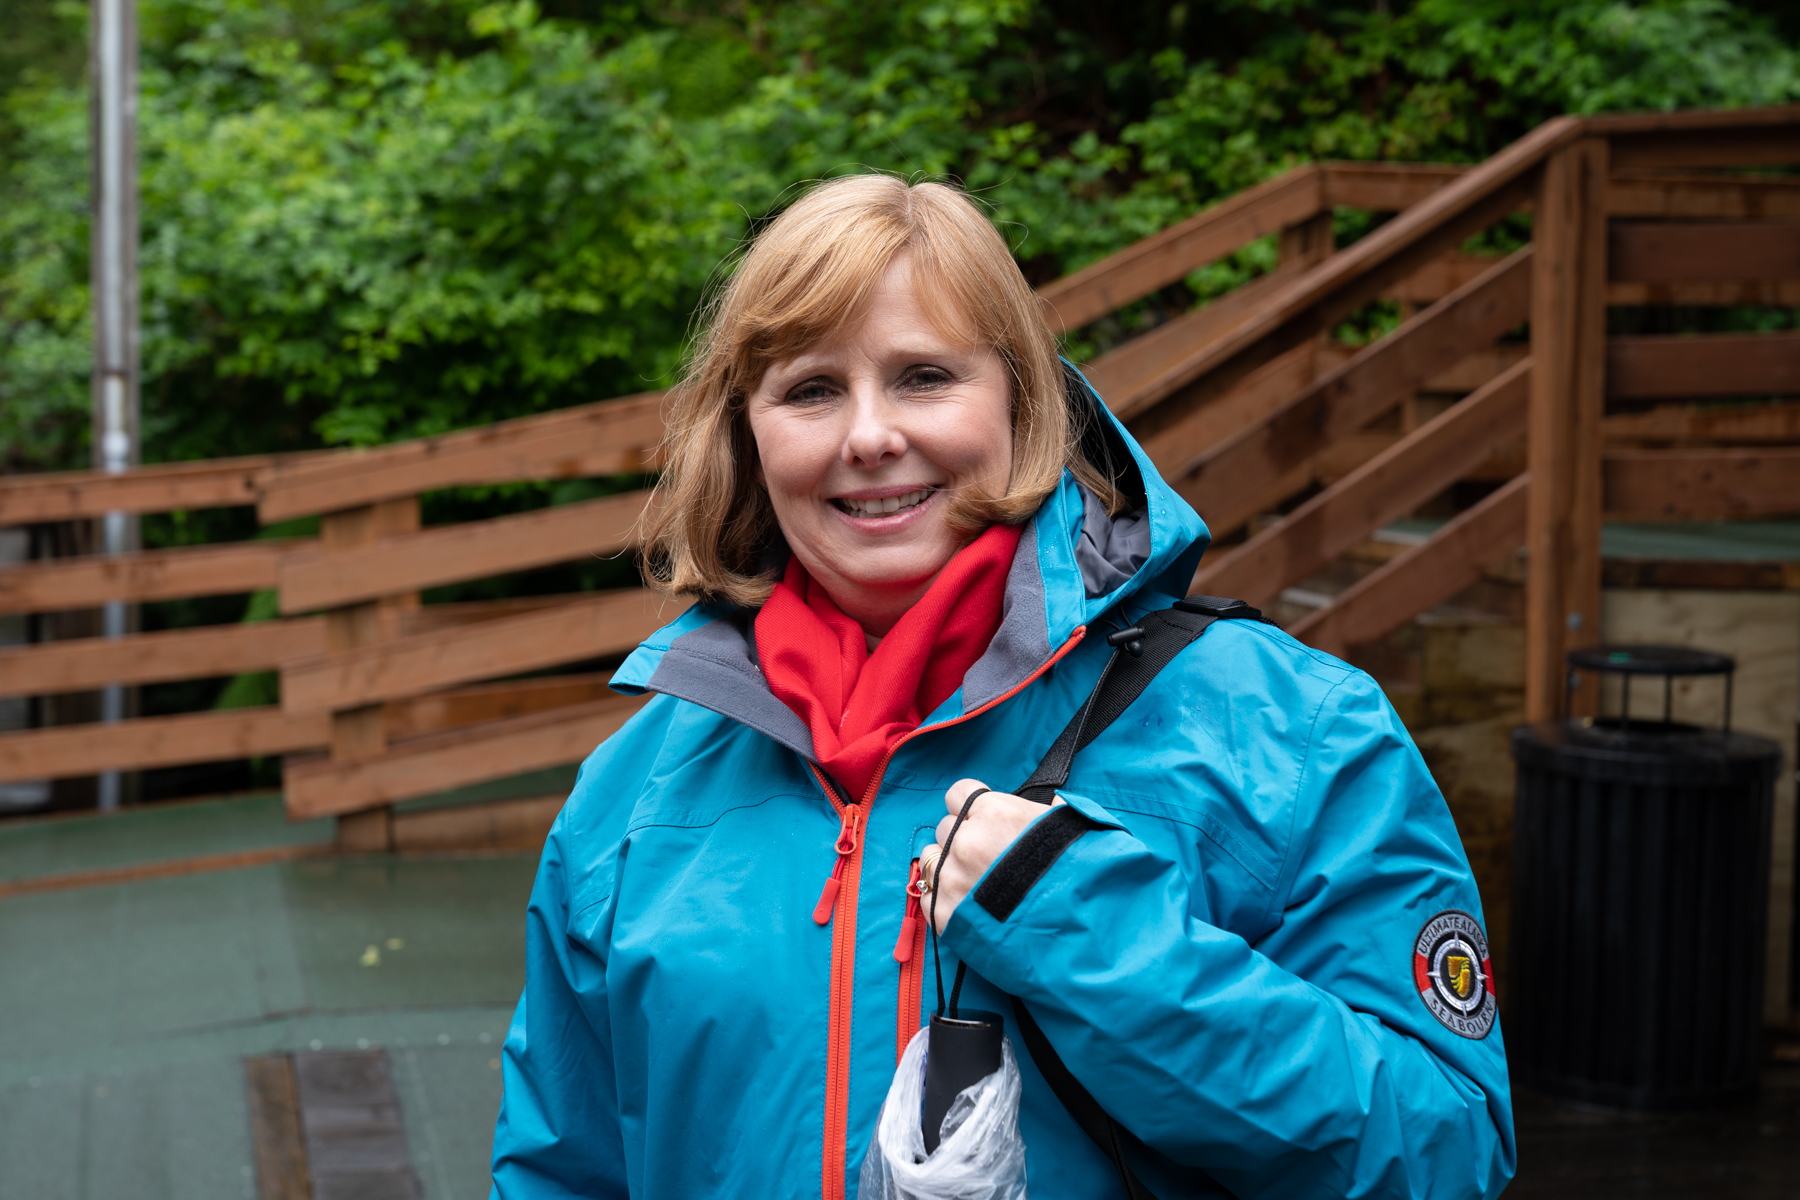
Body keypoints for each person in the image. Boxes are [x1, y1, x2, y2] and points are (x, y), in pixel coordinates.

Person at [488, 174, 1515, 1199]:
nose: (869, 435)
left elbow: (1444, 1155)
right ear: (748, 438)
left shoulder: (1293, 734)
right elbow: (558, 1172)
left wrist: (1092, 935)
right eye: (810, 390)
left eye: (925, 376)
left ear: (1025, 401)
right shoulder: (634, 794)